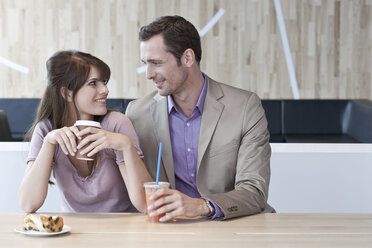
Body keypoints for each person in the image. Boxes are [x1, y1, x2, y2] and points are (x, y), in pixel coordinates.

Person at [126, 15, 274, 221]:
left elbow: (254, 191)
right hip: (169, 229)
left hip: (233, 226)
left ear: (187, 58)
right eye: (145, 63)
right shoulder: (136, 112)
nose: (148, 74)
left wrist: (202, 206)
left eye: (156, 63)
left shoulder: (245, 107)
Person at [18, 50, 152, 213]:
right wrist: (48, 143)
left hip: (122, 230)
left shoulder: (117, 124)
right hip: (73, 232)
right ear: (67, 93)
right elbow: (28, 204)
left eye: (104, 82)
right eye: (93, 83)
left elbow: (146, 205)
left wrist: (126, 145)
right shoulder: (47, 130)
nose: (105, 90)